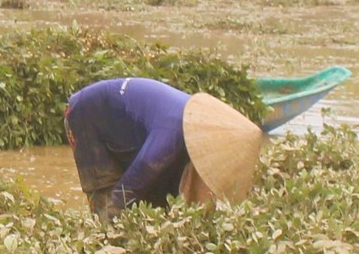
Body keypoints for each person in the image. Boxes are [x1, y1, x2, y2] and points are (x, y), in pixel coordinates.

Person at [63, 77, 265, 219]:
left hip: (134, 131)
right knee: (108, 200)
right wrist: (107, 225)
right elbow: (131, 185)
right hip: (86, 116)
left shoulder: (190, 129)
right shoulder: (170, 135)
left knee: (158, 197)